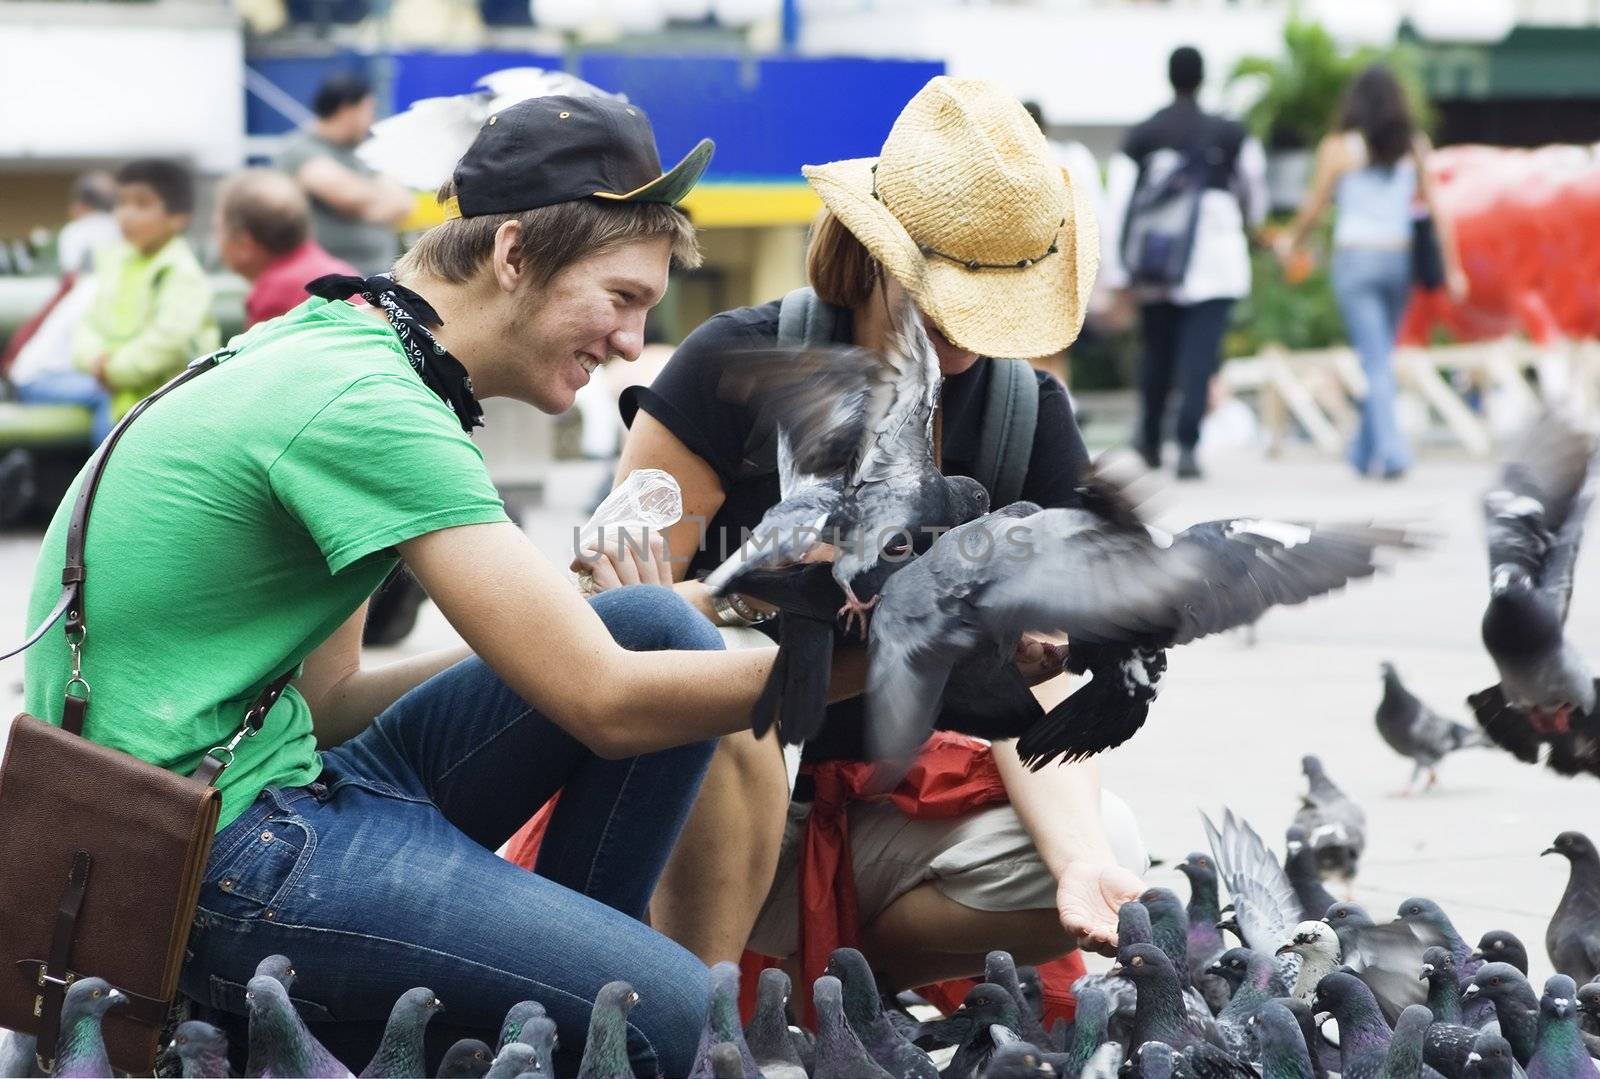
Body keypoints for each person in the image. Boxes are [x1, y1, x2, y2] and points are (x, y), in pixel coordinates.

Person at [21, 97, 816, 1077]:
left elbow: (330, 699)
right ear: (515, 253)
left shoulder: (331, 338)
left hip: (234, 797)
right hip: (215, 856)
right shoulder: (373, 407)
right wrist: (897, 663)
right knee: (685, 1016)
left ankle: (575, 1009)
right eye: (619, 297)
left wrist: (549, 624)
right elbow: (604, 703)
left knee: (650, 620)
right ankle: (608, 1011)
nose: (629, 339)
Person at [598, 77, 1148, 999]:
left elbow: (1040, 674)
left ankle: (833, 980)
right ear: (874, 252)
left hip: (886, 816)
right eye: (951, 296)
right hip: (697, 822)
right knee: (721, 667)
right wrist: (761, 595)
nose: (973, 339)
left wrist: (1080, 858)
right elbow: (609, 618)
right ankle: (701, 1006)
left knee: (1111, 844)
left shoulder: (1024, 414)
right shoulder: (736, 363)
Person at [1275, 63, 1466, 481]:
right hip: (1398, 259)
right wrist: (1454, 269)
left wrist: (1292, 241)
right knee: (1381, 355)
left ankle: (1392, 454)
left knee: (1374, 358)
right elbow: (1438, 211)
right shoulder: (1412, 145)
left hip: (1356, 259)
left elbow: (1314, 206)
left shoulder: (1340, 146)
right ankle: (1363, 453)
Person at [1103, 46, 1267, 481]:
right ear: (1202, 78)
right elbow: (1255, 187)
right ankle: (1188, 447)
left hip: (1157, 261)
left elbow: (1120, 201)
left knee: (1156, 349)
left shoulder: (1143, 134)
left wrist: (1120, 269)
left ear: (1170, 77)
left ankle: (1152, 442)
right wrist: (1251, 224)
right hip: (1216, 262)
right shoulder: (1229, 133)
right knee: (1200, 353)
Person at [16, 159, 218, 446]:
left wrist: (115, 369)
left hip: (152, 390)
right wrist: (98, 363)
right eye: (121, 203)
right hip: (118, 385)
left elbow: (169, 339)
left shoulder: (181, 272)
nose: (126, 215)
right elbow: (89, 325)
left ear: (178, 217)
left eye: (142, 204)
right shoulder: (115, 263)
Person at [277, 72, 414, 275]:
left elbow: (403, 203)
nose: (372, 119)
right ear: (347, 109)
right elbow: (350, 197)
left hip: (379, 276)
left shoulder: (364, 151)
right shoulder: (299, 150)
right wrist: (376, 201)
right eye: (368, 110)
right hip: (329, 283)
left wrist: (366, 205)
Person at [215, 168, 360, 327]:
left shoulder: (275, 295)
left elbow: (260, 351)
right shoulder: (335, 269)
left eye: (219, 229)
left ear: (244, 244)